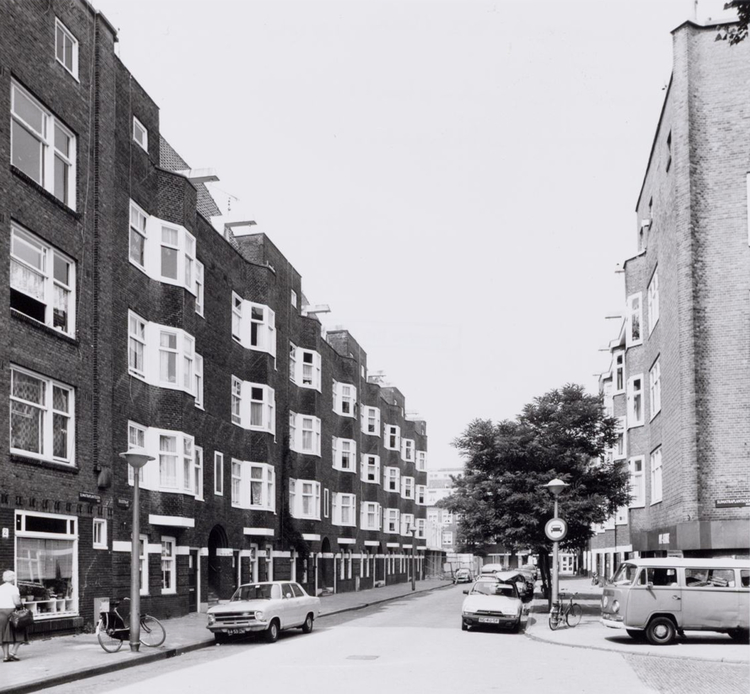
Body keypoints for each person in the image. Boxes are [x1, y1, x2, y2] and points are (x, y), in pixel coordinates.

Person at [0, 570, 27, 662]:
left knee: (3, 634)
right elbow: (16, 603)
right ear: (12, 578)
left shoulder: (0, 588)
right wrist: (21, 605)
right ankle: (13, 652)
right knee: (20, 630)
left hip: (1, 613)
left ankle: (6, 656)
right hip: (11, 612)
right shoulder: (13, 588)